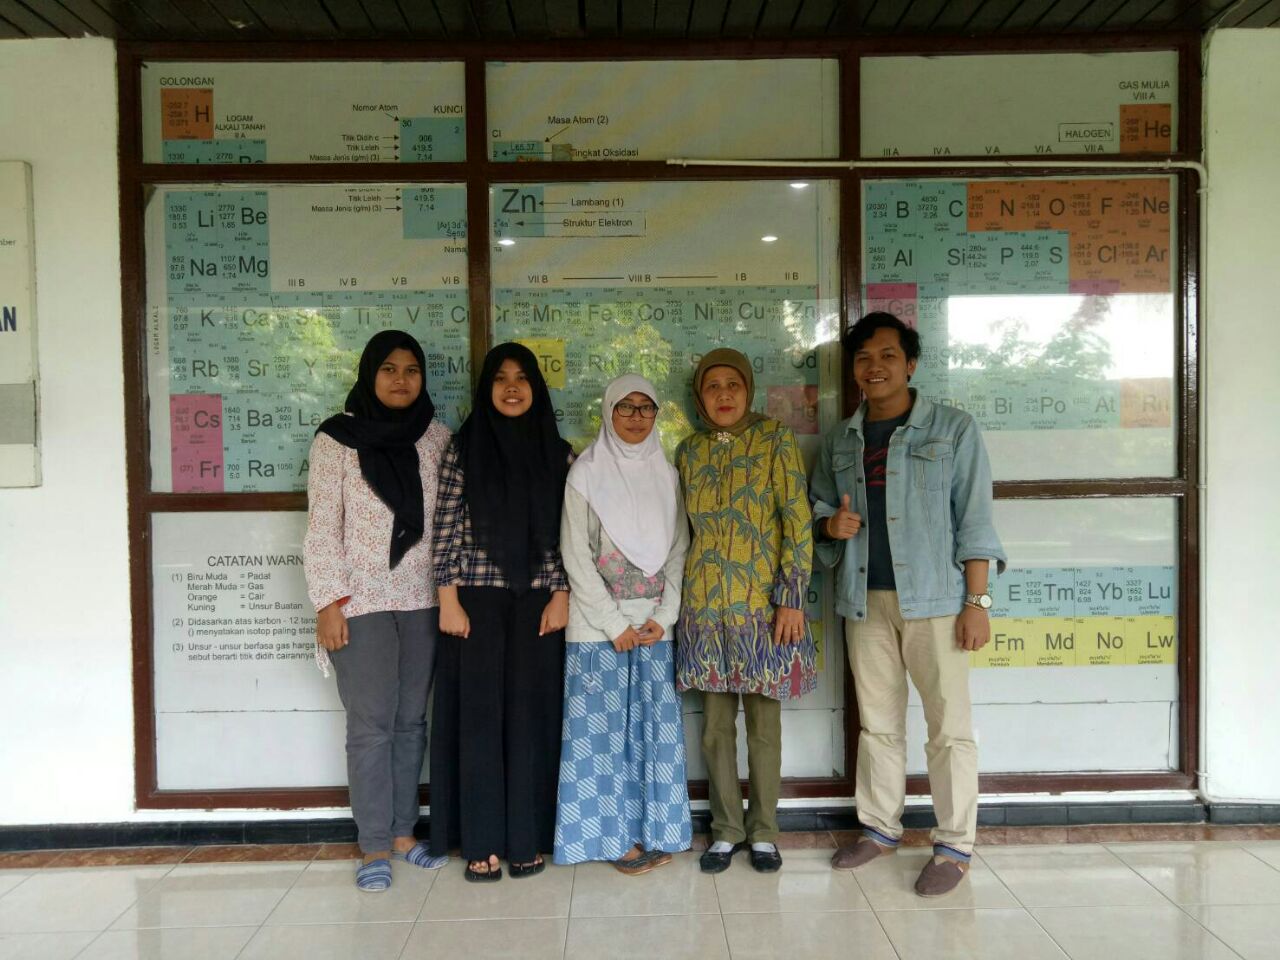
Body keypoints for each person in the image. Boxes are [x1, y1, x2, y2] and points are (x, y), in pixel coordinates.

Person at [809, 311, 1006, 898]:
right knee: (878, 725)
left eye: (888, 356)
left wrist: (977, 602)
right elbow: (818, 507)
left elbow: (975, 521)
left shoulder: (952, 429)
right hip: (863, 600)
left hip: (938, 603)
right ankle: (879, 829)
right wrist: (830, 525)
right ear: (854, 370)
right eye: (864, 358)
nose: (875, 367)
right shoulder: (841, 439)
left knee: (949, 729)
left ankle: (955, 845)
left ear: (911, 364)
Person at [303, 330, 452, 892]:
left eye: (411, 370)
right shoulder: (336, 440)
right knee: (371, 727)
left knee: (411, 722)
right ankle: (373, 846)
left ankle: (403, 835)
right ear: (370, 374)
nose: (400, 380)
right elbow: (322, 527)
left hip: (422, 600)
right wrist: (328, 603)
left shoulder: (436, 437)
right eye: (389, 369)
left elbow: (449, 522)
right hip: (359, 602)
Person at [429, 342, 572, 882]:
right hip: (476, 602)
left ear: (536, 387)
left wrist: (561, 592)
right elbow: (445, 525)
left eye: (522, 378)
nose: (512, 388)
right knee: (481, 720)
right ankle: (483, 839)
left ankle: (526, 838)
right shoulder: (464, 450)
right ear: (486, 388)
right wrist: (447, 597)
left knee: (531, 718)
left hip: (540, 602)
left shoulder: (558, 454)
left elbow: (568, 533)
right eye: (500, 378)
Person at [675, 348, 817, 875]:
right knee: (715, 727)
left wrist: (792, 596)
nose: (724, 395)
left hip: (763, 609)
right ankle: (725, 830)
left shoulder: (774, 438)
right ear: (698, 397)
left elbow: (796, 518)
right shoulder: (688, 452)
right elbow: (679, 530)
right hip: (705, 608)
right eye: (712, 386)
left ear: (749, 390)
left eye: (733, 384)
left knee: (763, 726)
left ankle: (763, 832)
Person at [553, 375, 692, 874]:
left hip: (653, 629)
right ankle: (611, 840)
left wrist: (664, 616)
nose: (636, 417)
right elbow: (575, 554)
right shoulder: (585, 475)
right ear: (608, 413)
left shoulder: (668, 475)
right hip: (599, 631)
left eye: (646, 407)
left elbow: (678, 551)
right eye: (625, 407)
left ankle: (657, 831)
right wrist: (614, 623)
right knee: (602, 739)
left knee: (655, 734)